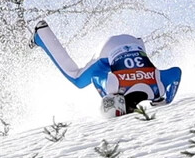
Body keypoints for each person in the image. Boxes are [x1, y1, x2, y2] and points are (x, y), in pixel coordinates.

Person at [32, 20, 181, 117]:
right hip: (111, 48)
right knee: (78, 80)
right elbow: (96, 77)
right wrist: (106, 96)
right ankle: (41, 35)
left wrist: (164, 99)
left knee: (117, 67)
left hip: (135, 44)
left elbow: (176, 72)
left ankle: (42, 34)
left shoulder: (158, 88)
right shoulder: (113, 86)